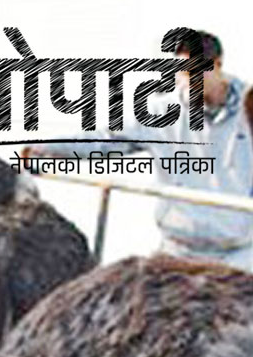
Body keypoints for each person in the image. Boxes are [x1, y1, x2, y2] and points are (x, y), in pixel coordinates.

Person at [23, 29, 253, 268]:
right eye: (180, 74)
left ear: (218, 64)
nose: (186, 83)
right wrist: (45, 148)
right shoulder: (161, 113)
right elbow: (104, 140)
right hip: (176, 251)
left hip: (238, 257)